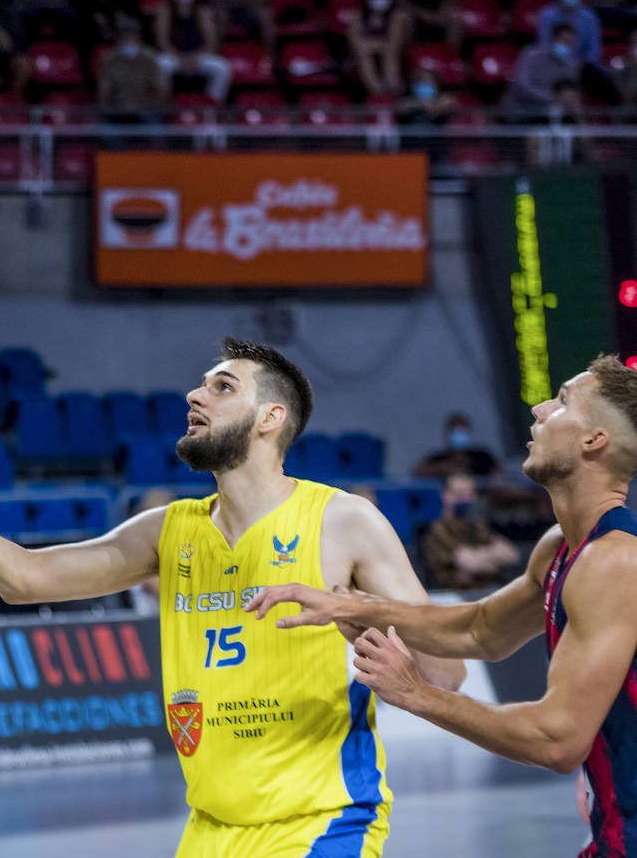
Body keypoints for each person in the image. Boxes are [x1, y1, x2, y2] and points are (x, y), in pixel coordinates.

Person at [0, 338, 464, 857]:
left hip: (325, 820)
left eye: (223, 387)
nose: (195, 396)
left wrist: (368, 622)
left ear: (270, 419)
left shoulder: (344, 521)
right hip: (210, 831)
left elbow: (448, 672)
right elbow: (24, 579)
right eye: (202, 386)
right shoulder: (168, 530)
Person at [246, 355, 637, 858]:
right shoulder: (563, 546)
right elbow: (480, 631)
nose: (539, 409)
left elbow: (557, 740)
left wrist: (418, 695)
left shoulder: (614, 562)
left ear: (594, 440)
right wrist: (354, 605)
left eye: (561, 401)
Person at [419, 471, 520, 590]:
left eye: (468, 493)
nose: (463, 499)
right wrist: (493, 559)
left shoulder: (477, 527)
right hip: (452, 597)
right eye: (458, 493)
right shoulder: (437, 531)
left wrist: (478, 557)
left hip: (486, 594)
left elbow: (511, 555)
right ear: (445, 495)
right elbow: (469, 563)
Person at [147, 0, 231, 103]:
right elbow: (162, 41)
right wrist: (179, 58)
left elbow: (211, 41)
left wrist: (195, 57)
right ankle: (165, 104)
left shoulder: (202, 12)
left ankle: (212, 105)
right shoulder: (165, 11)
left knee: (221, 67)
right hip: (174, 56)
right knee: (161, 65)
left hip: (199, 56)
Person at [537, 0, 621, 104]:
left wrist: (581, 63)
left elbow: (594, 49)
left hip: (582, 65)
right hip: (553, 61)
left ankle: (618, 113)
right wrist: (563, 61)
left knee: (602, 77)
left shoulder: (589, 17)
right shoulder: (547, 15)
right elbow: (543, 44)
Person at [96, 17, 170, 124]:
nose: (129, 38)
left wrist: (142, 104)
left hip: (146, 109)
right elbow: (103, 95)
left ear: (139, 36)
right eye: (125, 35)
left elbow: (162, 92)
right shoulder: (110, 60)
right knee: (104, 129)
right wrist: (118, 107)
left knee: (154, 124)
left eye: (132, 34)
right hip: (119, 110)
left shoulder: (151, 58)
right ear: (119, 38)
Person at [503, 24, 583, 122]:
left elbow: (570, 91)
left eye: (570, 43)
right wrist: (552, 98)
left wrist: (567, 100)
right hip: (523, 107)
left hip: (553, 110)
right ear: (553, 39)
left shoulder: (571, 64)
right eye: (564, 41)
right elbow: (522, 86)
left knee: (574, 115)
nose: (567, 46)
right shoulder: (531, 55)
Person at [347, 0, 409, 97]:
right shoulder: (358, 17)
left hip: (389, 51)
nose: (379, 0)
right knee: (363, 54)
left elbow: (394, 43)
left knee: (390, 54)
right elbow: (356, 43)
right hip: (364, 52)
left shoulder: (396, 17)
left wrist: (372, 44)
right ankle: (375, 89)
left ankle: (392, 87)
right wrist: (379, 44)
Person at [413, 412, 502, 478]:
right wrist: (445, 466)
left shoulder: (482, 456)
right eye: (455, 430)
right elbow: (417, 470)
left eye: (462, 430)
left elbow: (498, 474)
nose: (458, 434)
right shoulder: (439, 457)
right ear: (448, 433)